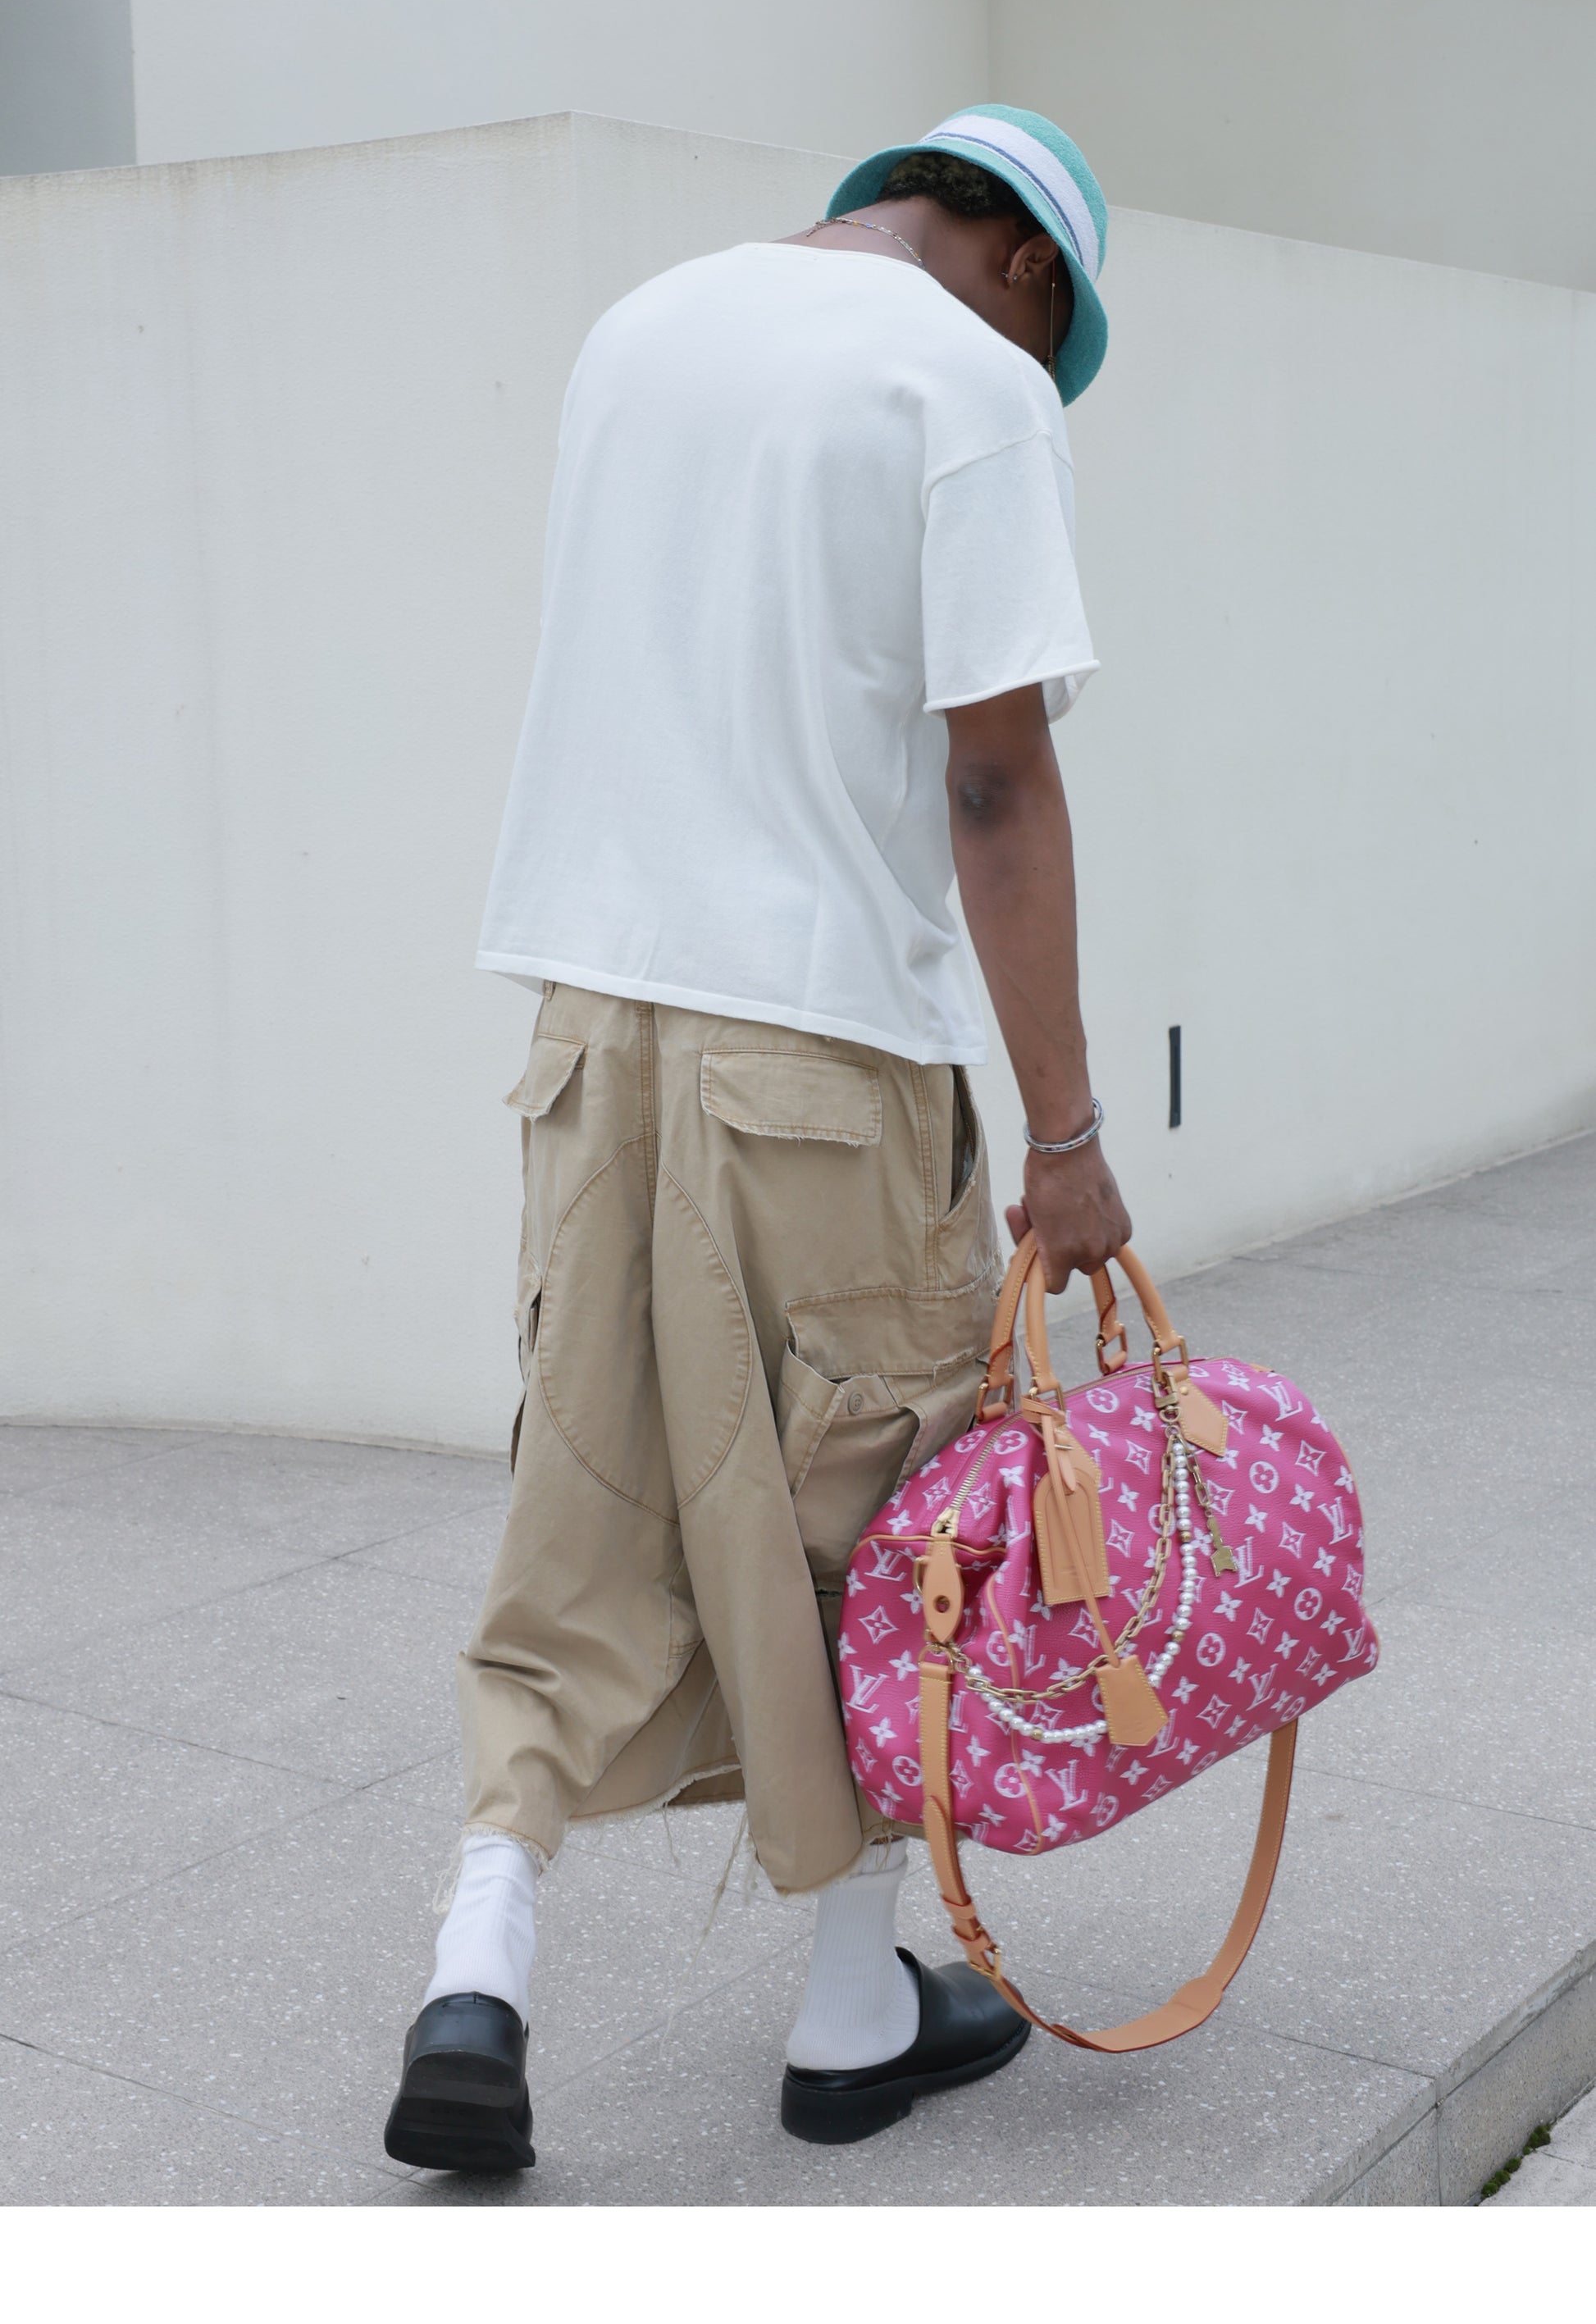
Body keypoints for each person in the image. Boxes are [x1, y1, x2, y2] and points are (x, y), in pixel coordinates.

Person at [385, 104, 1130, 2171]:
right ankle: (845, 2008)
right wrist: (1065, 1131)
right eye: (1051, 330)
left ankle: (480, 1958)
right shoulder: (969, 384)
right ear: (1027, 267)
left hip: (586, 1019)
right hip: (822, 1043)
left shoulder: (636, 330)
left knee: (582, 1483)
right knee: (881, 1525)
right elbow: (993, 784)